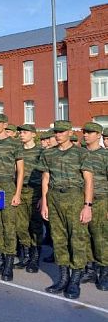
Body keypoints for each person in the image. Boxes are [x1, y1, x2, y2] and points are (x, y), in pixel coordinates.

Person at [40, 120, 94, 299]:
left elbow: (88, 181)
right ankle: (63, 278)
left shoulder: (81, 153)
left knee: (77, 239)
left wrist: (87, 206)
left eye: (62, 132)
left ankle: (75, 281)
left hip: (75, 198)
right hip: (55, 198)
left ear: (70, 132)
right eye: (56, 132)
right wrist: (45, 204)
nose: (58, 135)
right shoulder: (49, 154)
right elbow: (46, 179)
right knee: (59, 239)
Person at [0, 114, 24, 282]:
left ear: (5, 124)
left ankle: (8, 264)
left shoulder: (15, 144)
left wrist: (17, 193)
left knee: (9, 226)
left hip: (7, 186)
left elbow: (20, 170)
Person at [82, 122, 108, 291]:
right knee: (85, 236)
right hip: (82, 201)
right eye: (85, 132)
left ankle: (104, 272)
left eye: (90, 132)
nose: (85, 135)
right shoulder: (80, 154)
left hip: (101, 200)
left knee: (100, 238)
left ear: (98, 135)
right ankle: (90, 269)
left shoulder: (105, 156)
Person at [15, 124, 44, 273]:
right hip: (21, 190)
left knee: (35, 226)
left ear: (33, 134)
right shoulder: (17, 150)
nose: (21, 134)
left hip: (36, 191)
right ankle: (25, 255)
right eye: (21, 132)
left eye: (25, 132)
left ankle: (35, 257)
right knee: (21, 225)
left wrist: (43, 197)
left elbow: (47, 175)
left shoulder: (41, 151)